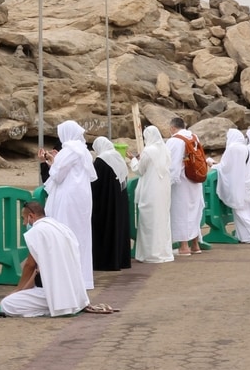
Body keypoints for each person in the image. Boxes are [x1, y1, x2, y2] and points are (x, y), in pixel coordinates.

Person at [0, 201, 91, 317]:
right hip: (75, 293)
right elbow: (38, 270)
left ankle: (53, 308)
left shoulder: (37, 231)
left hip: (55, 293)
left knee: (7, 304)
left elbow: (30, 265)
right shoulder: (61, 227)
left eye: (24, 219)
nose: (24, 223)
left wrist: (17, 290)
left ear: (31, 216)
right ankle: (60, 305)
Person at [40, 120, 96, 287]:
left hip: (69, 198)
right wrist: (54, 162)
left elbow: (57, 175)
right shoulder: (83, 150)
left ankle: (67, 278)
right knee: (81, 235)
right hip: (82, 197)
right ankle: (81, 277)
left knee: (66, 233)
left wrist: (50, 162)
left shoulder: (69, 149)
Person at [131, 126, 175, 263]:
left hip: (150, 190)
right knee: (162, 220)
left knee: (149, 221)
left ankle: (150, 254)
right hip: (163, 190)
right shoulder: (166, 150)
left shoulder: (149, 151)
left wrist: (133, 160)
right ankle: (163, 252)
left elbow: (139, 169)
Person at [89, 136, 134, 271]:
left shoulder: (101, 161)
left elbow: (94, 184)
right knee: (118, 229)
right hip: (119, 202)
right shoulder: (117, 157)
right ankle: (121, 260)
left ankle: (106, 262)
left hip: (105, 204)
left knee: (106, 229)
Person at [214, 127, 250, 243]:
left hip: (237, 185)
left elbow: (226, 167)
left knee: (239, 210)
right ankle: (245, 236)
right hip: (245, 183)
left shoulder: (232, 148)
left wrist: (213, 165)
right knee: (246, 209)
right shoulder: (245, 148)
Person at [166, 117, 205, 256]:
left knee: (180, 211)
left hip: (181, 181)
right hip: (195, 179)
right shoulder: (194, 137)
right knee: (194, 211)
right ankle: (195, 244)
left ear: (172, 128)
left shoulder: (174, 140)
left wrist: (168, 181)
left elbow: (172, 163)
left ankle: (184, 246)